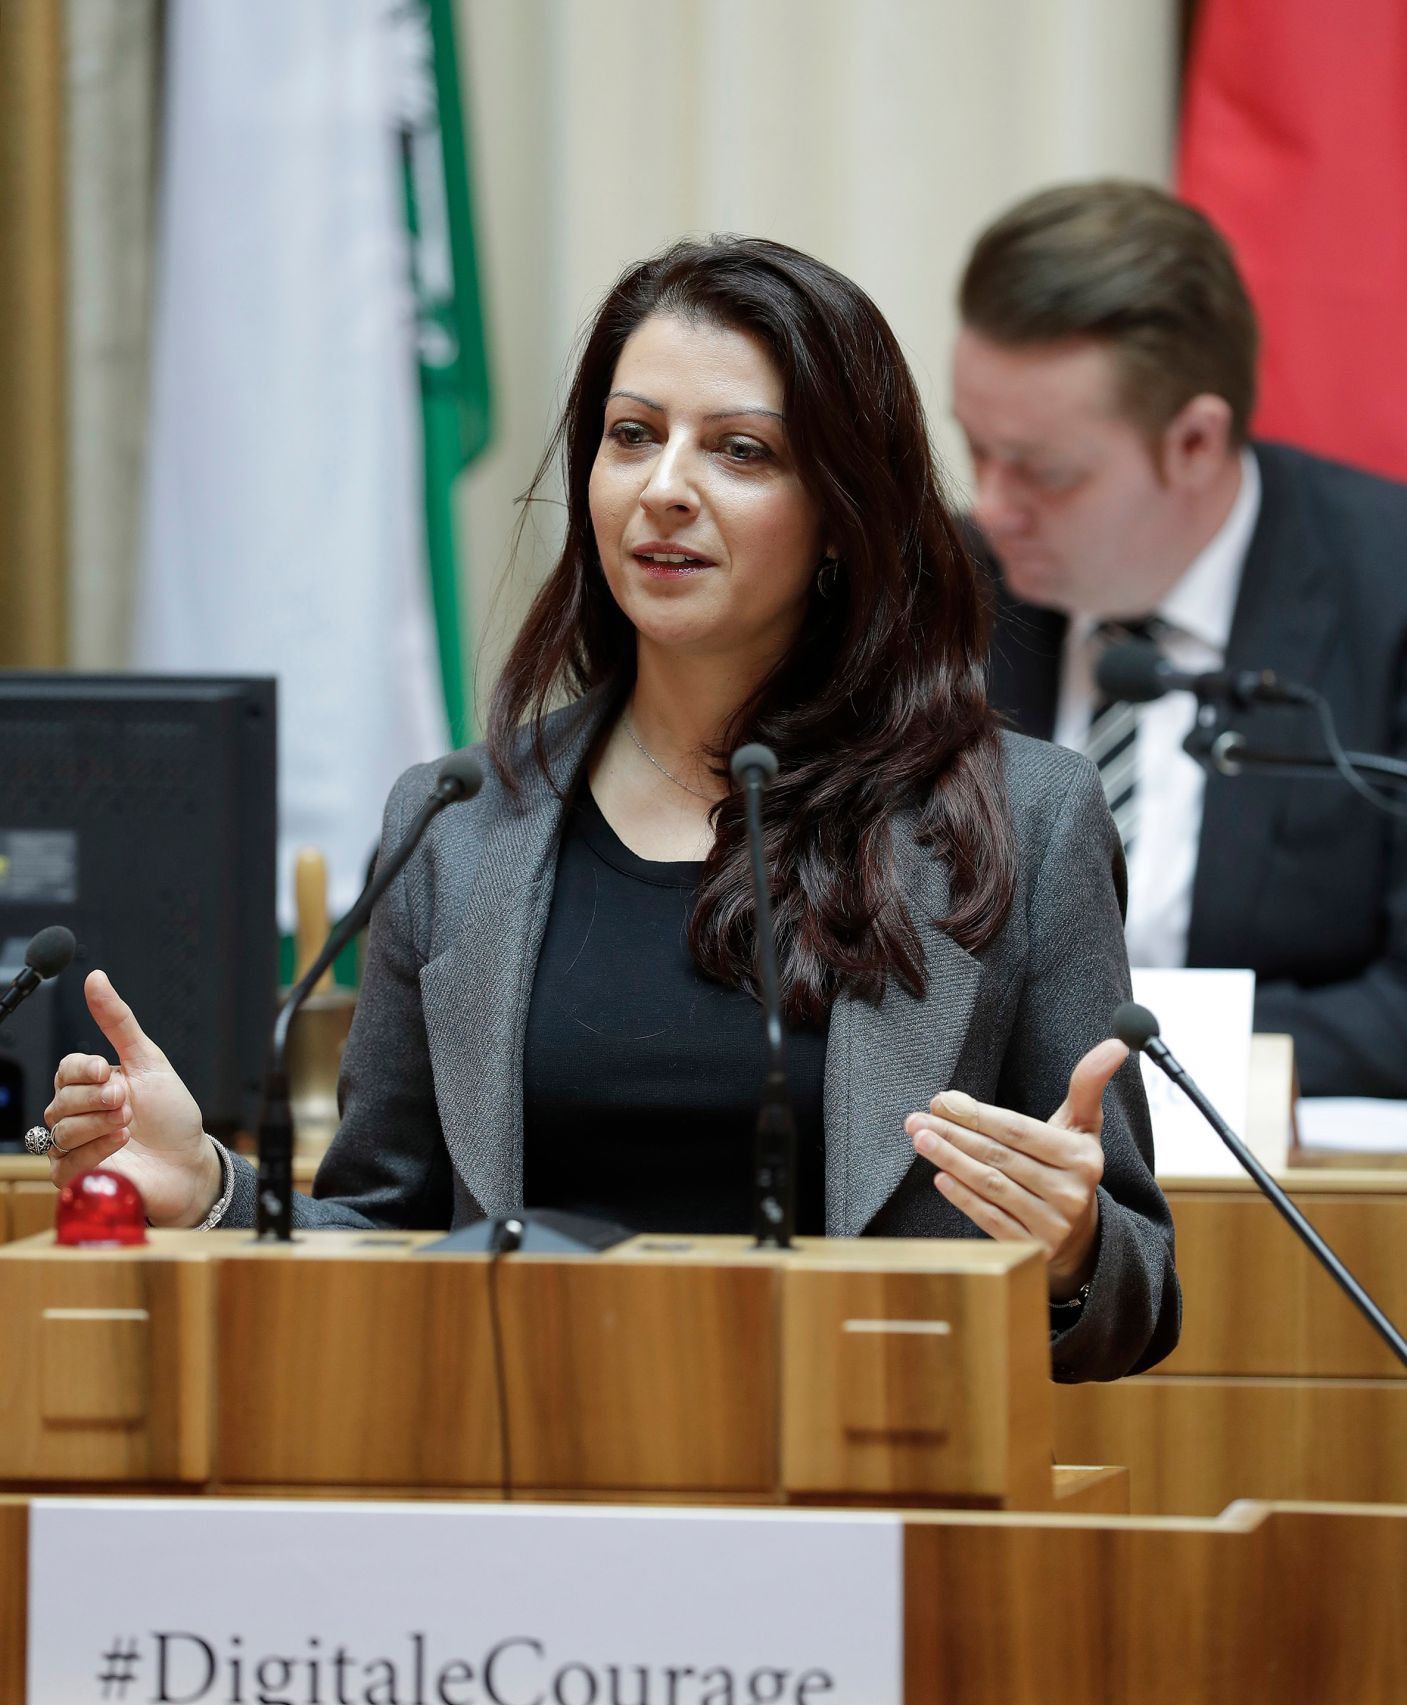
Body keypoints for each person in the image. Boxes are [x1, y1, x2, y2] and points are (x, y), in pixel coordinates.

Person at [39, 236, 1178, 1381]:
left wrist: (1073, 1249)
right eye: (631, 435)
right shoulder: (457, 823)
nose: (664, 486)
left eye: (740, 449)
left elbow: (1140, 1293)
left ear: (841, 513)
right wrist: (214, 1194)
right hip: (531, 1486)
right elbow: (390, 1241)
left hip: (865, 1489)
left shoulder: (1024, 814)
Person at [953, 179, 1407, 1100]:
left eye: (1043, 473)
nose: (992, 508)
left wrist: (1111, 1066)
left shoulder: (1386, 593)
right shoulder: (937, 591)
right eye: (975, 450)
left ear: (1195, 442)